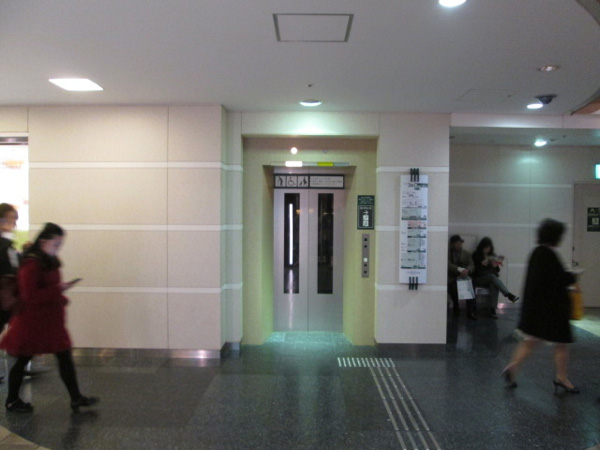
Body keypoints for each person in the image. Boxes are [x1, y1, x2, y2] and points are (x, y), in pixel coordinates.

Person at [1, 222, 99, 412]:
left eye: (60, 244)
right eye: (55, 244)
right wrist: (58, 290)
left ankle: (76, 398)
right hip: (32, 322)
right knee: (23, 359)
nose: (57, 248)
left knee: (64, 357)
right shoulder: (32, 263)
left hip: (48, 321)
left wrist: (60, 295)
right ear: (43, 241)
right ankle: (12, 400)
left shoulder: (48, 260)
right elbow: (30, 296)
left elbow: (47, 289)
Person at [502, 219, 579, 393]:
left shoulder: (537, 253)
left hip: (535, 310)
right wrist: (573, 277)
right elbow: (560, 279)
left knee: (530, 341)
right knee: (561, 343)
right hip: (552, 310)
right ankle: (561, 377)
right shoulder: (548, 255)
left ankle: (512, 367)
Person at [472, 237, 519, 319]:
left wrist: (495, 265)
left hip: (491, 279)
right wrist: (482, 264)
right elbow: (475, 269)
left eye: (488, 248)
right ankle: (508, 294)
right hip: (479, 278)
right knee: (492, 277)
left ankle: (492, 309)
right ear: (481, 247)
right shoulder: (476, 255)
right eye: (485, 248)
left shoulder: (492, 255)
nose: (487, 250)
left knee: (493, 285)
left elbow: (497, 270)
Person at [447, 235, 476, 320]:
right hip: (453, 277)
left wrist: (467, 270)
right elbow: (448, 265)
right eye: (456, 243)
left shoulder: (467, 254)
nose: (459, 245)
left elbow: (471, 265)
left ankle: (470, 310)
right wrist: (459, 270)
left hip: (464, 276)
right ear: (452, 244)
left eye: (460, 243)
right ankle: (456, 305)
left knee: (471, 286)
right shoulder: (448, 253)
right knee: (452, 286)